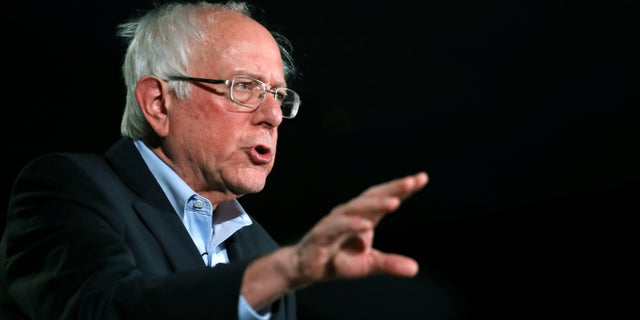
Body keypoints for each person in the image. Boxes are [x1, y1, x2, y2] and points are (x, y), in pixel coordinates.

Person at [0, 1, 428, 319]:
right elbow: (104, 310)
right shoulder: (69, 189)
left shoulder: (259, 246)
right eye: (245, 87)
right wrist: (283, 270)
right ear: (158, 103)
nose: (273, 115)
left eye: (278, 95)